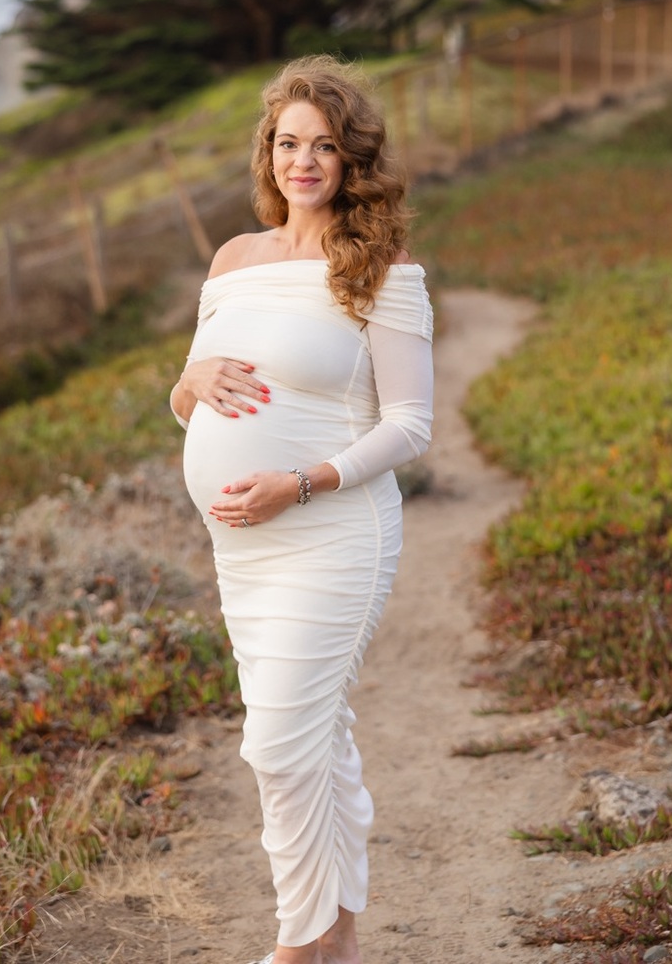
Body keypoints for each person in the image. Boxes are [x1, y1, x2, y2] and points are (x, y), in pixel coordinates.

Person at [170, 55, 434, 964]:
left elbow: (410, 425)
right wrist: (188, 379)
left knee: (278, 747)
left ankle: (293, 949)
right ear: (268, 154)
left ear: (351, 158)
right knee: (315, 739)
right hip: (242, 552)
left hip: (331, 533)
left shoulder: (380, 267)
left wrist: (302, 481)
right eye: (288, 143)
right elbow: (194, 397)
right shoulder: (233, 260)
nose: (303, 161)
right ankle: (340, 946)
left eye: (324, 145)